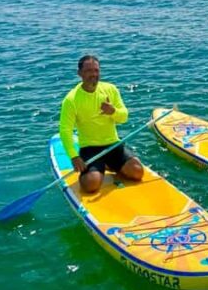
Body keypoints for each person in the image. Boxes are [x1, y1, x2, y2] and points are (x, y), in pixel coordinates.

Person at [59, 54, 144, 193]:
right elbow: (65, 130)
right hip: (90, 148)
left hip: (113, 145)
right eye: (88, 71)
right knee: (91, 185)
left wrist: (113, 112)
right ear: (79, 73)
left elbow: (124, 117)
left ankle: (109, 165)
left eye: (96, 70)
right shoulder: (71, 99)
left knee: (137, 173)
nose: (93, 74)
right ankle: (97, 169)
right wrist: (74, 156)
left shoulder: (110, 89)